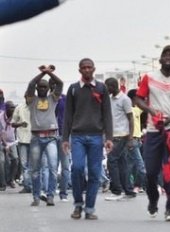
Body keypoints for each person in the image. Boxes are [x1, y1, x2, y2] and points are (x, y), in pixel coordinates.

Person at [135, 45, 170, 221]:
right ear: (160, 60)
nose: (168, 57)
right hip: (153, 129)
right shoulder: (150, 77)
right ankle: (153, 200)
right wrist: (152, 112)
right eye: (165, 55)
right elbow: (138, 98)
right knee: (151, 172)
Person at [63, 58, 113, 220]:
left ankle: (90, 208)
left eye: (89, 67)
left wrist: (109, 138)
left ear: (93, 69)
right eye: (83, 68)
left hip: (96, 137)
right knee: (77, 168)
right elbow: (68, 115)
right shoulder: (73, 89)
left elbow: (107, 114)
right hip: (77, 136)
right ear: (79, 70)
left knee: (94, 172)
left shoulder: (101, 88)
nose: (86, 70)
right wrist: (65, 138)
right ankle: (78, 204)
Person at [25, 65, 63, 206]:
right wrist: (42, 74)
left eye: (44, 87)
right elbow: (30, 84)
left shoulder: (53, 99)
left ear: (48, 89)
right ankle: (36, 197)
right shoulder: (31, 99)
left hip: (51, 138)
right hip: (36, 138)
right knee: (35, 170)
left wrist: (49, 73)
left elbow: (60, 84)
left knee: (53, 168)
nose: (42, 89)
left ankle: (50, 195)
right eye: (40, 87)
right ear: (37, 89)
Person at [104, 77, 135, 201]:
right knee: (122, 164)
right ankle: (128, 190)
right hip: (113, 135)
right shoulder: (109, 99)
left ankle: (116, 191)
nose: (106, 90)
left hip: (121, 135)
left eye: (107, 87)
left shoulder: (125, 99)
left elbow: (131, 118)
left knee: (111, 161)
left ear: (113, 86)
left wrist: (130, 138)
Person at [11, 97, 32, 194]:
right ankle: (27, 186)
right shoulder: (19, 108)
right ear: (25, 97)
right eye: (28, 96)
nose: (30, 98)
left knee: (34, 165)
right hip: (23, 140)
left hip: (34, 140)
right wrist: (20, 124)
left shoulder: (36, 107)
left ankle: (34, 185)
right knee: (24, 164)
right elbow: (12, 123)